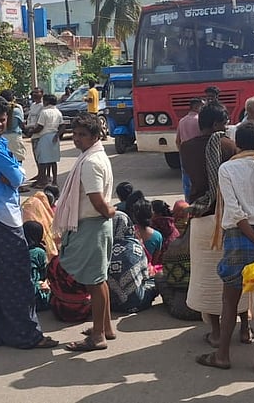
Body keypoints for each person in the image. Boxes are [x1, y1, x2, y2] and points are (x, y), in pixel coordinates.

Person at [0, 95, 59, 350]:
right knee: (19, 281)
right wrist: (12, 173)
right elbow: (17, 175)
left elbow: (15, 176)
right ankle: (27, 335)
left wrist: (12, 174)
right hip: (2, 219)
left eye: (2, 120)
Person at [197, 121, 254, 374]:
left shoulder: (227, 169)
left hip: (238, 237)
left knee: (230, 300)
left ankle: (222, 354)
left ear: (238, 145)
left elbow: (233, 210)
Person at [181, 101, 251, 347]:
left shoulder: (186, 148)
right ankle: (244, 328)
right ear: (215, 124)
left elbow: (190, 183)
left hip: (201, 218)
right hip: (230, 219)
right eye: (224, 123)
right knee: (237, 274)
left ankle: (216, 331)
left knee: (206, 278)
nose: (227, 126)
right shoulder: (229, 145)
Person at [54, 112, 117, 351]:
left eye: (82, 135)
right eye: (75, 134)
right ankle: (106, 328)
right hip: (93, 224)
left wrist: (108, 212)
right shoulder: (94, 156)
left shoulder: (90, 162)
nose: (77, 139)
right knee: (99, 278)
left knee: (95, 280)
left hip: (93, 225)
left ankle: (98, 335)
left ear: (94, 136)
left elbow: (96, 199)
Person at [106, 210, 157, 313]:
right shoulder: (134, 246)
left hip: (113, 304)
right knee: (158, 279)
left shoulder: (105, 248)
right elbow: (145, 274)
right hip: (138, 303)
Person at [30, 94, 62, 188]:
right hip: (54, 136)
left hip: (44, 136)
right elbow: (62, 125)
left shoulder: (44, 112)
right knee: (53, 160)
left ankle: (43, 181)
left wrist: (31, 131)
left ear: (47, 102)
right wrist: (58, 134)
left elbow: (40, 126)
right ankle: (54, 180)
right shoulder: (58, 112)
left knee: (43, 160)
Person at [176, 98, 205, 198]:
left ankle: (187, 200)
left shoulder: (182, 121)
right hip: (198, 153)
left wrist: (182, 152)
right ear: (196, 106)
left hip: (185, 153)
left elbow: (177, 140)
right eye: (202, 106)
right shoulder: (200, 121)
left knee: (186, 180)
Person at [24, 221, 52, 311]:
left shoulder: (18, 250)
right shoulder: (39, 252)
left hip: (19, 295)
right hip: (35, 295)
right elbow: (45, 273)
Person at [2, 90, 29, 170]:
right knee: (18, 161)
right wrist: (28, 132)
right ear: (13, 98)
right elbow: (21, 125)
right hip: (15, 138)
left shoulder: (0, 110)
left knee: (5, 162)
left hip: (2, 138)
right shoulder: (17, 110)